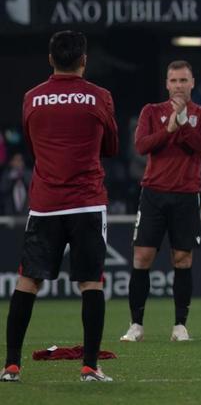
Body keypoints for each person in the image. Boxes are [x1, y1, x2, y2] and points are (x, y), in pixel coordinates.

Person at [2, 31, 119, 383]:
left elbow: (34, 143)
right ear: (84, 59)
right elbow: (111, 147)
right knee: (91, 283)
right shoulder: (99, 97)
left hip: (45, 203)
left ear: (50, 59)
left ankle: (11, 366)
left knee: (27, 281)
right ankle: (89, 367)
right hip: (86, 203)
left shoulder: (31, 98)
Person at [119, 61, 201, 344]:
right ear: (166, 84)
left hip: (187, 194)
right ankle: (136, 325)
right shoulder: (151, 111)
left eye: (183, 80)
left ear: (192, 83)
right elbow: (142, 146)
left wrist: (183, 124)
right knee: (142, 258)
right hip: (153, 193)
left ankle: (180, 325)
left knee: (183, 259)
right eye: (173, 80)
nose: (178, 86)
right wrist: (169, 129)